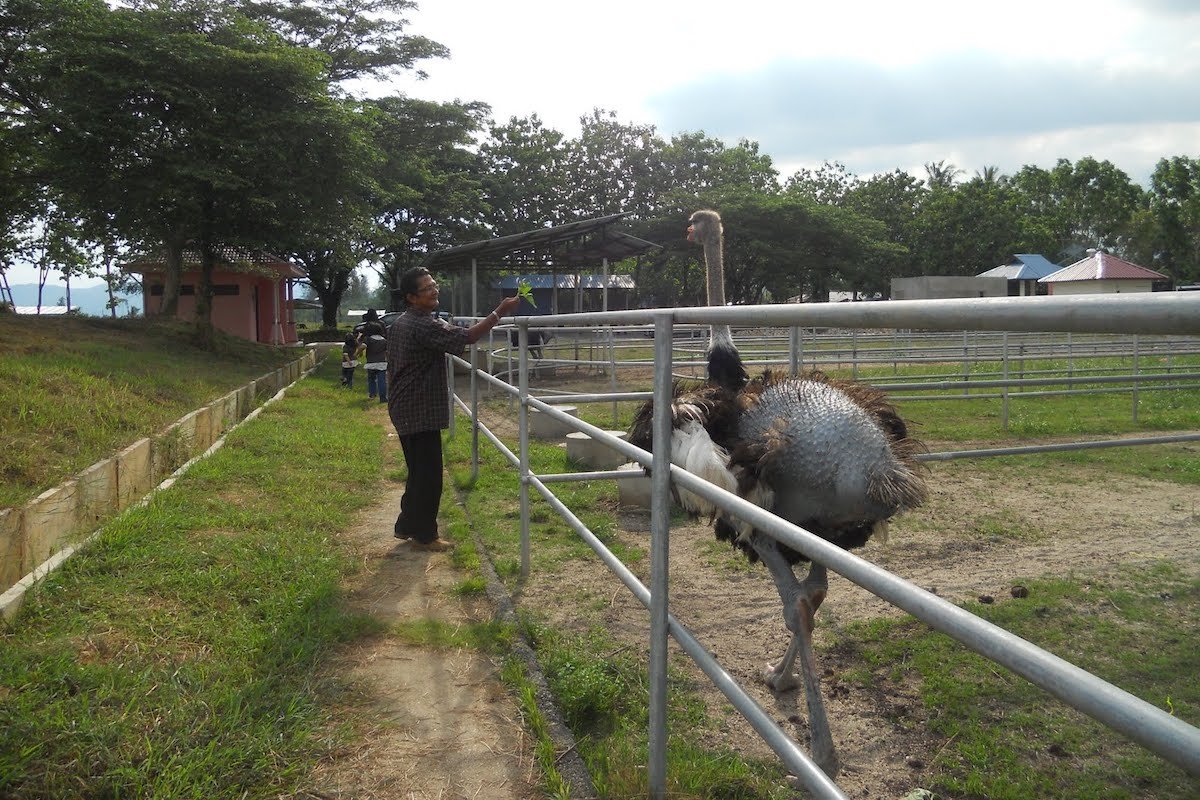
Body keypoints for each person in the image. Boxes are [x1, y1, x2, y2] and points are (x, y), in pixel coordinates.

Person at [388, 267, 522, 552]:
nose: (434, 290)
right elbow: (468, 336)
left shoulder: (403, 322)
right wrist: (500, 311)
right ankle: (425, 535)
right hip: (418, 409)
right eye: (427, 288)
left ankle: (406, 525)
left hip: (405, 405)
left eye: (434, 284)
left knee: (418, 472)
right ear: (412, 297)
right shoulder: (422, 324)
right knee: (429, 476)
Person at [358, 309, 388, 403]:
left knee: (371, 379)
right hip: (382, 362)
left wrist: (357, 353)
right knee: (382, 380)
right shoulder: (382, 327)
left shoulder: (368, 335)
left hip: (371, 361)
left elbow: (363, 345)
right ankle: (383, 397)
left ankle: (372, 394)